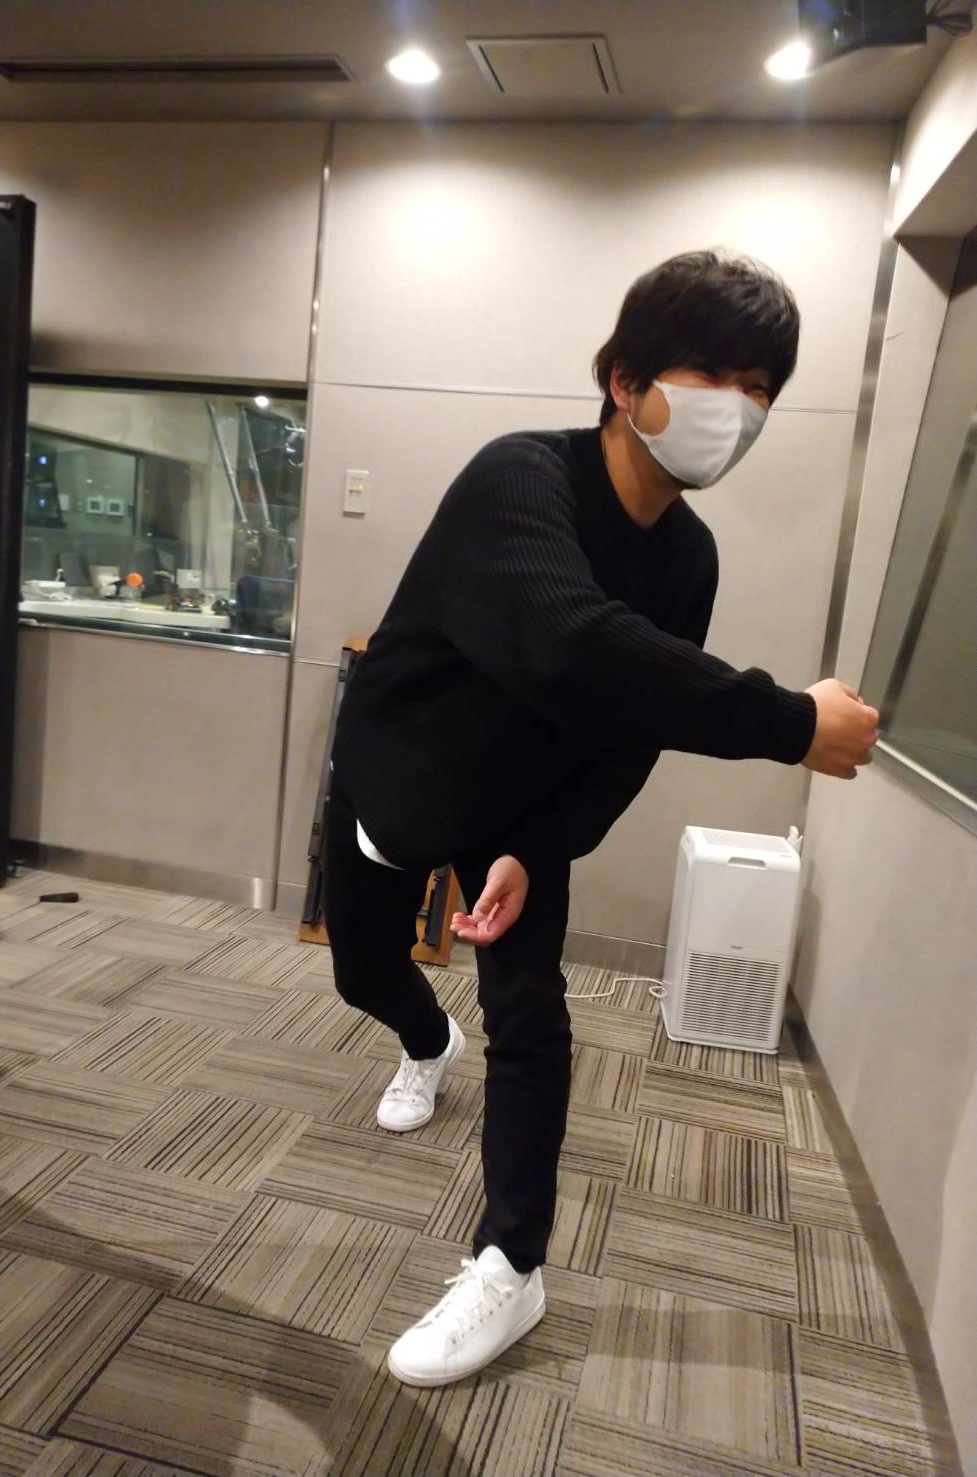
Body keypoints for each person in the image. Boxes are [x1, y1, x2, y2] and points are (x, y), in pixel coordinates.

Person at [324, 250, 879, 1388]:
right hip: (404, 773)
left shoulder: (689, 557)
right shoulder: (519, 478)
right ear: (625, 381)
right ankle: (426, 1043)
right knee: (363, 971)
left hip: (521, 806)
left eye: (761, 387)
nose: (740, 408)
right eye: (714, 374)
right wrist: (789, 720)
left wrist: (542, 846)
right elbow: (566, 643)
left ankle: (512, 1264)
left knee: (531, 1017)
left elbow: (628, 725)